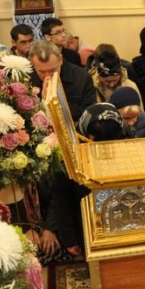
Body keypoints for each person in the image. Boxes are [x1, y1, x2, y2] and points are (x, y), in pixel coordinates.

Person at [46, 104, 129, 258]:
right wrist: (70, 239)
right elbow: (62, 198)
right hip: (86, 221)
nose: (102, 151)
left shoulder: (127, 140)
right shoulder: (69, 153)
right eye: (95, 144)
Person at [28, 40, 96, 122]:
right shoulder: (27, 79)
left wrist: (58, 102)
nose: (48, 76)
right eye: (42, 72)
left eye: (52, 70)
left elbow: (90, 114)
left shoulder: (82, 77)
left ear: (60, 59)